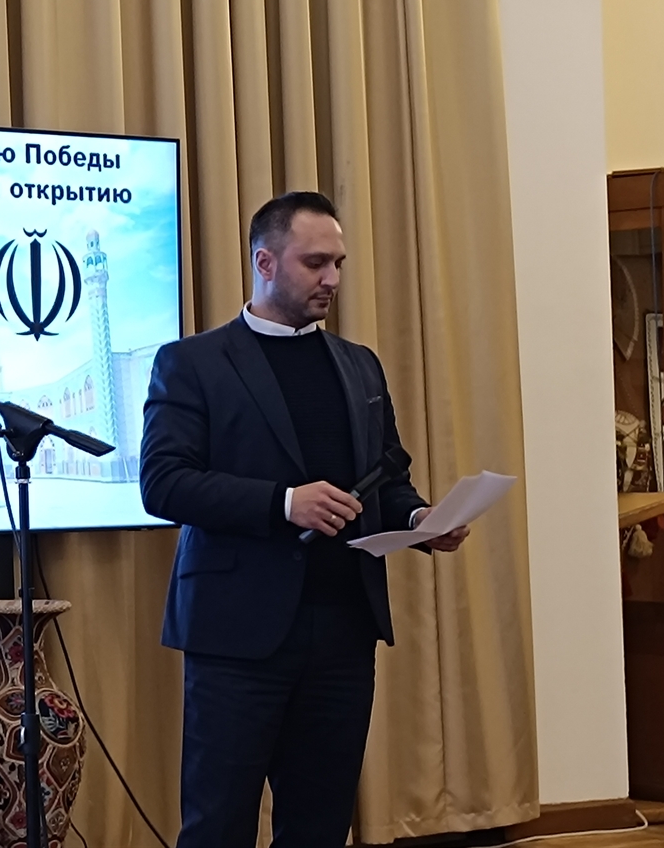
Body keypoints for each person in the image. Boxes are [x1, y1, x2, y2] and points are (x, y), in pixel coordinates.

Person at [139, 191, 469, 848]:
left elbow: (387, 476)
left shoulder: (359, 364)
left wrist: (422, 517)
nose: (332, 279)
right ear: (264, 262)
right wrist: (284, 502)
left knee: (320, 825)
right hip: (236, 637)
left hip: (344, 631)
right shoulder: (192, 362)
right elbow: (164, 483)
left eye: (338, 263)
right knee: (217, 825)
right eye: (315, 263)